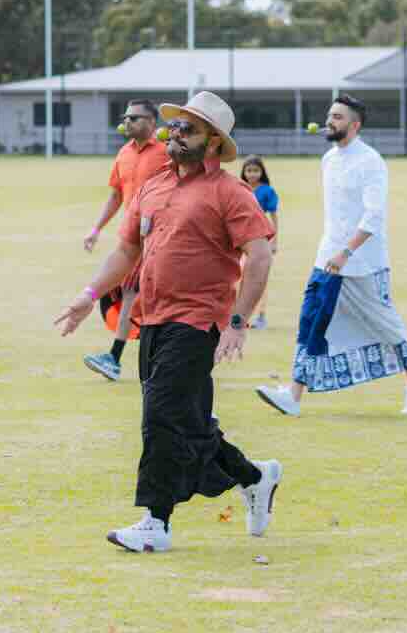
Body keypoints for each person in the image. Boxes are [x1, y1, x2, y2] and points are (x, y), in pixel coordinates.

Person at [51, 91, 280, 554]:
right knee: (185, 421)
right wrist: (87, 295)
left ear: (213, 142)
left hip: (198, 321)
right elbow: (126, 252)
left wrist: (238, 321)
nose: (175, 133)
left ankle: (156, 521)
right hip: (150, 316)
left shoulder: (230, 193)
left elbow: (259, 255)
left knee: (159, 416)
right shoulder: (154, 185)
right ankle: (253, 476)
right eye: (175, 126)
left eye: (188, 129)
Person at [256, 94, 407, 417]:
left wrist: (347, 252)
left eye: (337, 117)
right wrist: (332, 253)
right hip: (327, 258)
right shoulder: (328, 160)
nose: (329, 121)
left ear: (355, 124)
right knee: (312, 318)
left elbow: (373, 217)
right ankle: (293, 395)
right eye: (329, 115)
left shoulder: (371, 161)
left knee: (387, 326)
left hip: (362, 262)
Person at [82, 99, 168, 382]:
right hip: (132, 239)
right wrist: (95, 229)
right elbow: (116, 196)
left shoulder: (167, 153)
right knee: (132, 293)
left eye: (135, 118)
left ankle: (117, 358)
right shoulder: (123, 154)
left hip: (161, 237)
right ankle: (124, 357)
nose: (128, 122)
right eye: (126, 117)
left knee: (140, 295)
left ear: (152, 123)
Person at [238, 155, 279, 328]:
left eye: (256, 170)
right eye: (249, 170)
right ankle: (242, 316)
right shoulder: (241, 188)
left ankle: (261, 316)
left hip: (261, 239)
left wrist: (275, 241)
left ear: (262, 172)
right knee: (240, 277)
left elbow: (274, 217)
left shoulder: (267, 191)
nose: (252, 174)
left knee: (259, 279)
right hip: (242, 239)